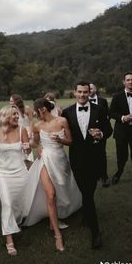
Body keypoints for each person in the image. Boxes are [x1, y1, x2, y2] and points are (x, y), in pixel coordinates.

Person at [23, 98, 82, 251]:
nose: (39, 114)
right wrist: (33, 145)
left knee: (61, 189)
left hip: (60, 159)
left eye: (40, 111)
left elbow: (70, 141)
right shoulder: (37, 125)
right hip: (44, 160)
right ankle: (57, 235)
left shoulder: (62, 121)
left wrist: (61, 140)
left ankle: (53, 219)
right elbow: (35, 142)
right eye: (37, 112)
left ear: (45, 108)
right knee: (50, 194)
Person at [62, 81, 112, 249]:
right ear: (74, 93)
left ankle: (95, 233)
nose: (83, 95)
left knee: (88, 193)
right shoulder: (67, 113)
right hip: (77, 160)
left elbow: (109, 130)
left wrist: (101, 134)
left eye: (85, 92)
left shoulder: (100, 109)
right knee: (86, 192)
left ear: (89, 93)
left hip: (95, 159)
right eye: (80, 92)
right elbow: (63, 134)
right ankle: (86, 216)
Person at [0, 105, 31, 256]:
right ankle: (9, 240)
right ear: (6, 116)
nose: (17, 116)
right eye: (14, 114)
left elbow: (27, 151)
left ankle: (16, 222)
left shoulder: (22, 130)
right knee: (7, 204)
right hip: (2, 174)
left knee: (18, 203)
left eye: (17, 114)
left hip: (20, 173)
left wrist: (27, 148)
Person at [109, 72, 132, 194]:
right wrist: (123, 118)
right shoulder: (117, 96)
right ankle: (119, 173)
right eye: (128, 80)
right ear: (124, 82)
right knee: (122, 158)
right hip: (121, 132)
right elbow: (111, 113)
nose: (130, 82)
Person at [89, 83, 111, 187]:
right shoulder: (85, 101)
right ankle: (95, 175)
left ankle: (104, 177)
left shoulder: (103, 101)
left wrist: (101, 132)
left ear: (95, 89)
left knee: (102, 154)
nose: (89, 90)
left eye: (91, 88)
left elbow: (107, 116)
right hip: (89, 134)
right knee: (91, 155)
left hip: (101, 133)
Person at [10, 94, 34, 165]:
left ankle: (29, 167)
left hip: (27, 131)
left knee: (27, 150)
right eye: (10, 101)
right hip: (17, 133)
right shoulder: (11, 110)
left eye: (11, 101)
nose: (10, 103)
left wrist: (30, 133)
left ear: (16, 101)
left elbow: (31, 122)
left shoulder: (26, 109)